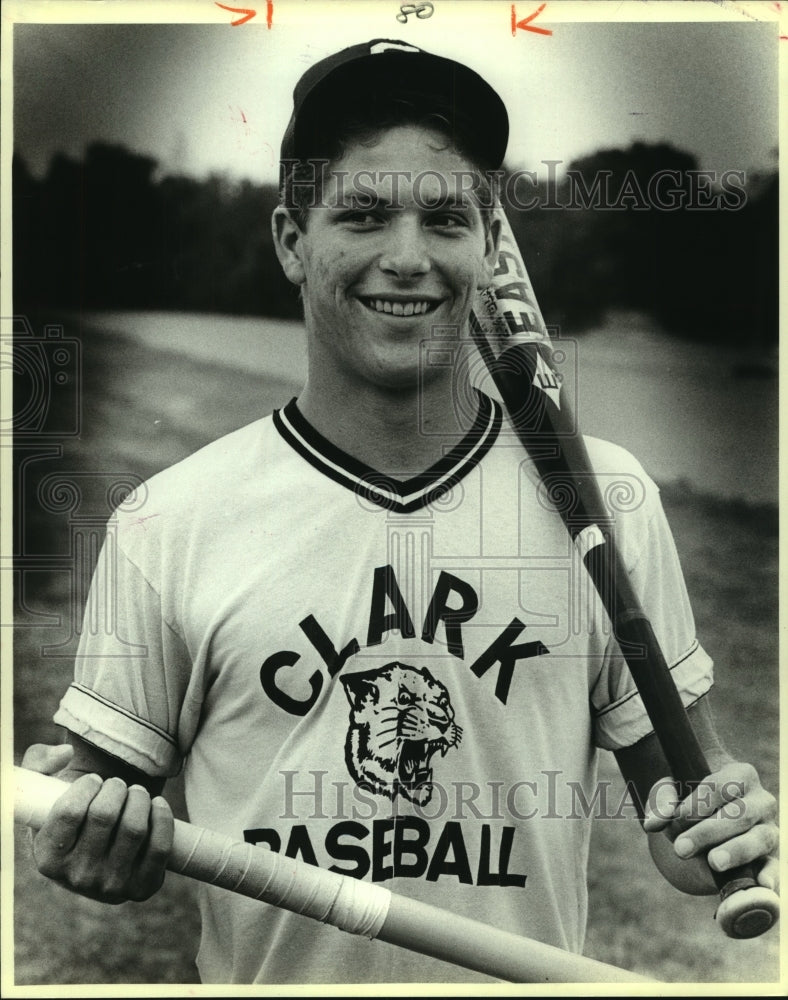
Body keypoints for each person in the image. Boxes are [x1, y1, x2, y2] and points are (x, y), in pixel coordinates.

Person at [23, 39, 778, 985]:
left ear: (490, 248)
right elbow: (90, 801)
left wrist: (716, 830)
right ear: (293, 241)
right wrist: (84, 835)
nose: (409, 257)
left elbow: (680, 797)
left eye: (447, 219)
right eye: (365, 215)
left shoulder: (609, 498)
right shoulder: (165, 522)